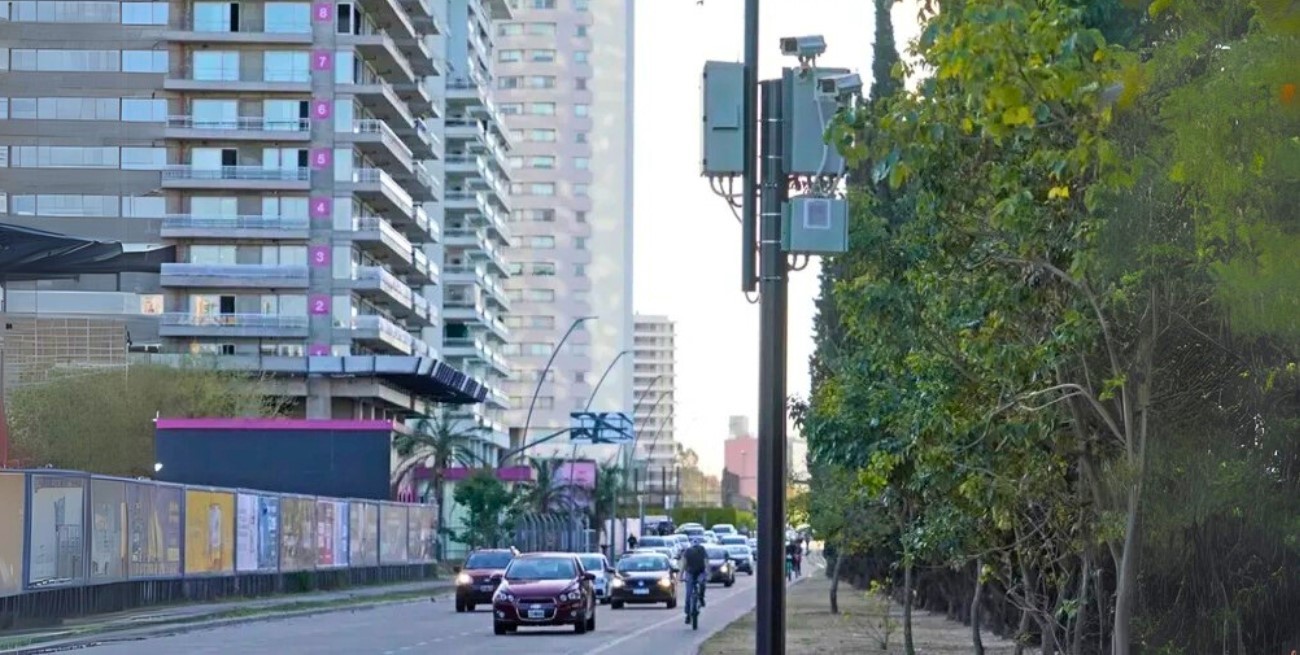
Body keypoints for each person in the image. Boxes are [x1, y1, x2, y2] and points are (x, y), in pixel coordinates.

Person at [681, 541, 710, 623]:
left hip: (695, 572)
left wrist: (681, 576)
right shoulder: (701, 550)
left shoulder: (689, 551)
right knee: (695, 589)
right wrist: (708, 573)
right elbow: (706, 562)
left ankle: (688, 614)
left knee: (689, 593)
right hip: (694, 572)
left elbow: (684, 564)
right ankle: (700, 599)